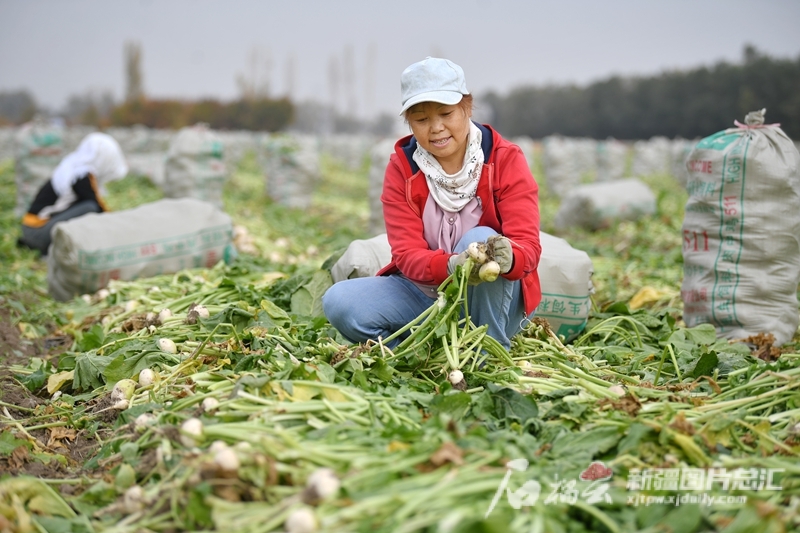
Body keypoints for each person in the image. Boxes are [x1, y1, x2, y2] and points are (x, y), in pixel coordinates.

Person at [323, 57, 542, 350]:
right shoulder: (402, 169)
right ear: (409, 122)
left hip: (496, 302)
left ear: (467, 107)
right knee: (339, 301)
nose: (436, 128)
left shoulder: (504, 159)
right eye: (421, 119)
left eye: (446, 113)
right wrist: (452, 265)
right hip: (427, 296)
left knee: (481, 241)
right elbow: (406, 254)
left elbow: (528, 246)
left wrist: (509, 257)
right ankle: (417, 352)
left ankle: (487, 349)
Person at [18, 132, 128, 256]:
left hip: (33, 230)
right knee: (90, 208)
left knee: (88, 207)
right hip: (37, 233)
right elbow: (98, 207)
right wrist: (120, 226)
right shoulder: (81, 175)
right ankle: (52, 251)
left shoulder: (72, 169)